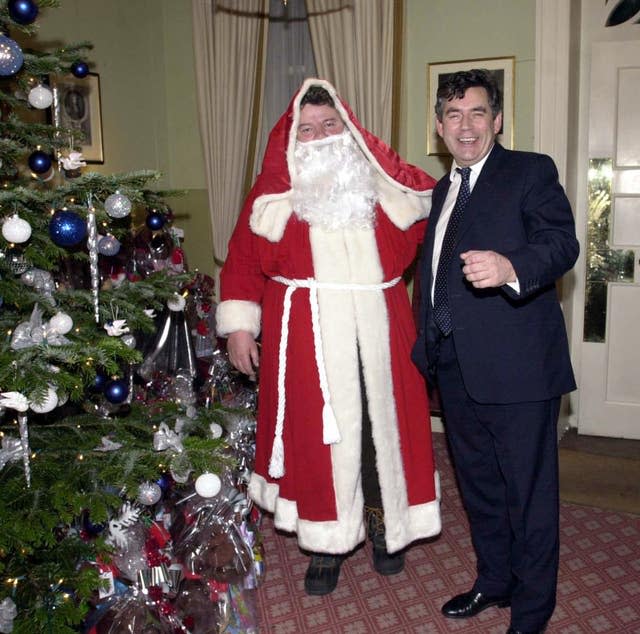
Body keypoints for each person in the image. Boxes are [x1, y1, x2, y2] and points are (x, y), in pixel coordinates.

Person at [217, 78, 441, 596]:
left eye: (330, 126)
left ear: (349, 129)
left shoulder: (383, 184)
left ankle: (386, 530)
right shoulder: (272, 194)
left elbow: (437, 219)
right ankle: (326, 544)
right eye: (308, 129)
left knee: (380, 433)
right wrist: (240, 328)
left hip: (381, 328)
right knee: (318, 440)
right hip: (305, 332)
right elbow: (244, 262)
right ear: (293, 139)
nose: (320, 138)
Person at [412, 69, 579, 634]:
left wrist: (512, 267)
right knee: (479, 487)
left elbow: (561, 243)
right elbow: (433, 273)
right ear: (439, 126)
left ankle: (532, 610)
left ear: (498, 120)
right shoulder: (442, 189)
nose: (466, 126)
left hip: (520, 369)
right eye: (454, 115)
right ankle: (494, 580)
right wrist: (426, 346)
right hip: (455, 366)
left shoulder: (529, 171)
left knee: (529, 496)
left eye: (478, 113)